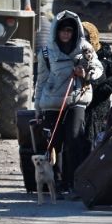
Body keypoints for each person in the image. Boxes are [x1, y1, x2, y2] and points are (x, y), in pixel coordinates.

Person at [35, 11, 103, 193]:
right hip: (51, 103)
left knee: (74, 140)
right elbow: (40, 81)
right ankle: (55, 183)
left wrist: (86, 74)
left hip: (77, 100)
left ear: (75, 32)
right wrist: (37, 109)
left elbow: (98, 69)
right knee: (53, 145)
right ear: (56, 31)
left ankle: (73, 183)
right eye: (62, 30)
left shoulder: (85, 49)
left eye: (69, 30)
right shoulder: (46, 53)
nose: (66, 34)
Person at [81, 21, 112, 145]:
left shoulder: (104, 54)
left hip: (100, 108)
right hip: (78, 107)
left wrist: (107, 87)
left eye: (87, 37)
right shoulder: (74, 54)